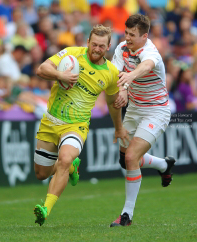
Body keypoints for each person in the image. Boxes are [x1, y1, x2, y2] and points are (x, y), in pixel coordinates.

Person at [33, 24, 129, 226]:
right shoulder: (71, 55)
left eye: (102, 46)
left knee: (65, 158)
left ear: (108, 46)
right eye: (94, 44)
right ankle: (69, 168)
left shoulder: (110, 72)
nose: (96, 49)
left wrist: (119, 127)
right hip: (50, 121)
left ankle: (45, 209)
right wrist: (61, 75)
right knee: (41, 173)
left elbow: (112, 103)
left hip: (76, 126)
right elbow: (42, 69)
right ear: (87, 42)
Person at [110, 14, 176, 227]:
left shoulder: (150, 51)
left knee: (131, 157)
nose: (127, 37)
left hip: (156, 111)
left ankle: (126, 215)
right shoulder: (121, 49)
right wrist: (122, 90)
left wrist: (129, 79)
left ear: (144, 36)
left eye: (132, 34)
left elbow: (146, 66)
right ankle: (163, 165)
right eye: (126, 32)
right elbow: (117, 75)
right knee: (126, 160)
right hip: (134, 110)